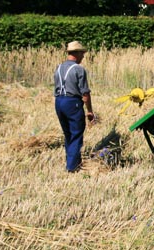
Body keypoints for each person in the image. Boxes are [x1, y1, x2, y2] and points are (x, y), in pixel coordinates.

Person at [53, 41, 96, 172]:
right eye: (82, 53)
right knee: (76, 133)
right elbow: (85, 93)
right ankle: (72, 167)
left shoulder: (59, 68)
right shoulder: (79, 69)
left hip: (59, 102)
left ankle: (72, 160)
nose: (83, 56)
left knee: (68, 134)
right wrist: (89, 111)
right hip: (72, 102)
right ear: (76, 53)